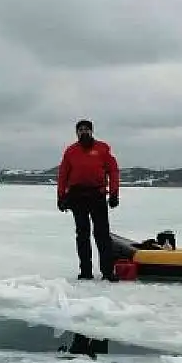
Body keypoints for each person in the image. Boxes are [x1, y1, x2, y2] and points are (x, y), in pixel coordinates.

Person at [56, 119, 121, 281]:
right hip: (77, 197)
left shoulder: (102, 149)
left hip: (97, 196)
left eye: (86, 129)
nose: (83, 132)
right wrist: (61, 197)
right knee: (82, 235)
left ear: (91, 131)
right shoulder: (70, 151)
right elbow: (63, 175)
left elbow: (113, 171)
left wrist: (114, 194)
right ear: (76, 133)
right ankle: (85, 271)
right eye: (80, 130)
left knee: (102, 234)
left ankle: (107, 271)